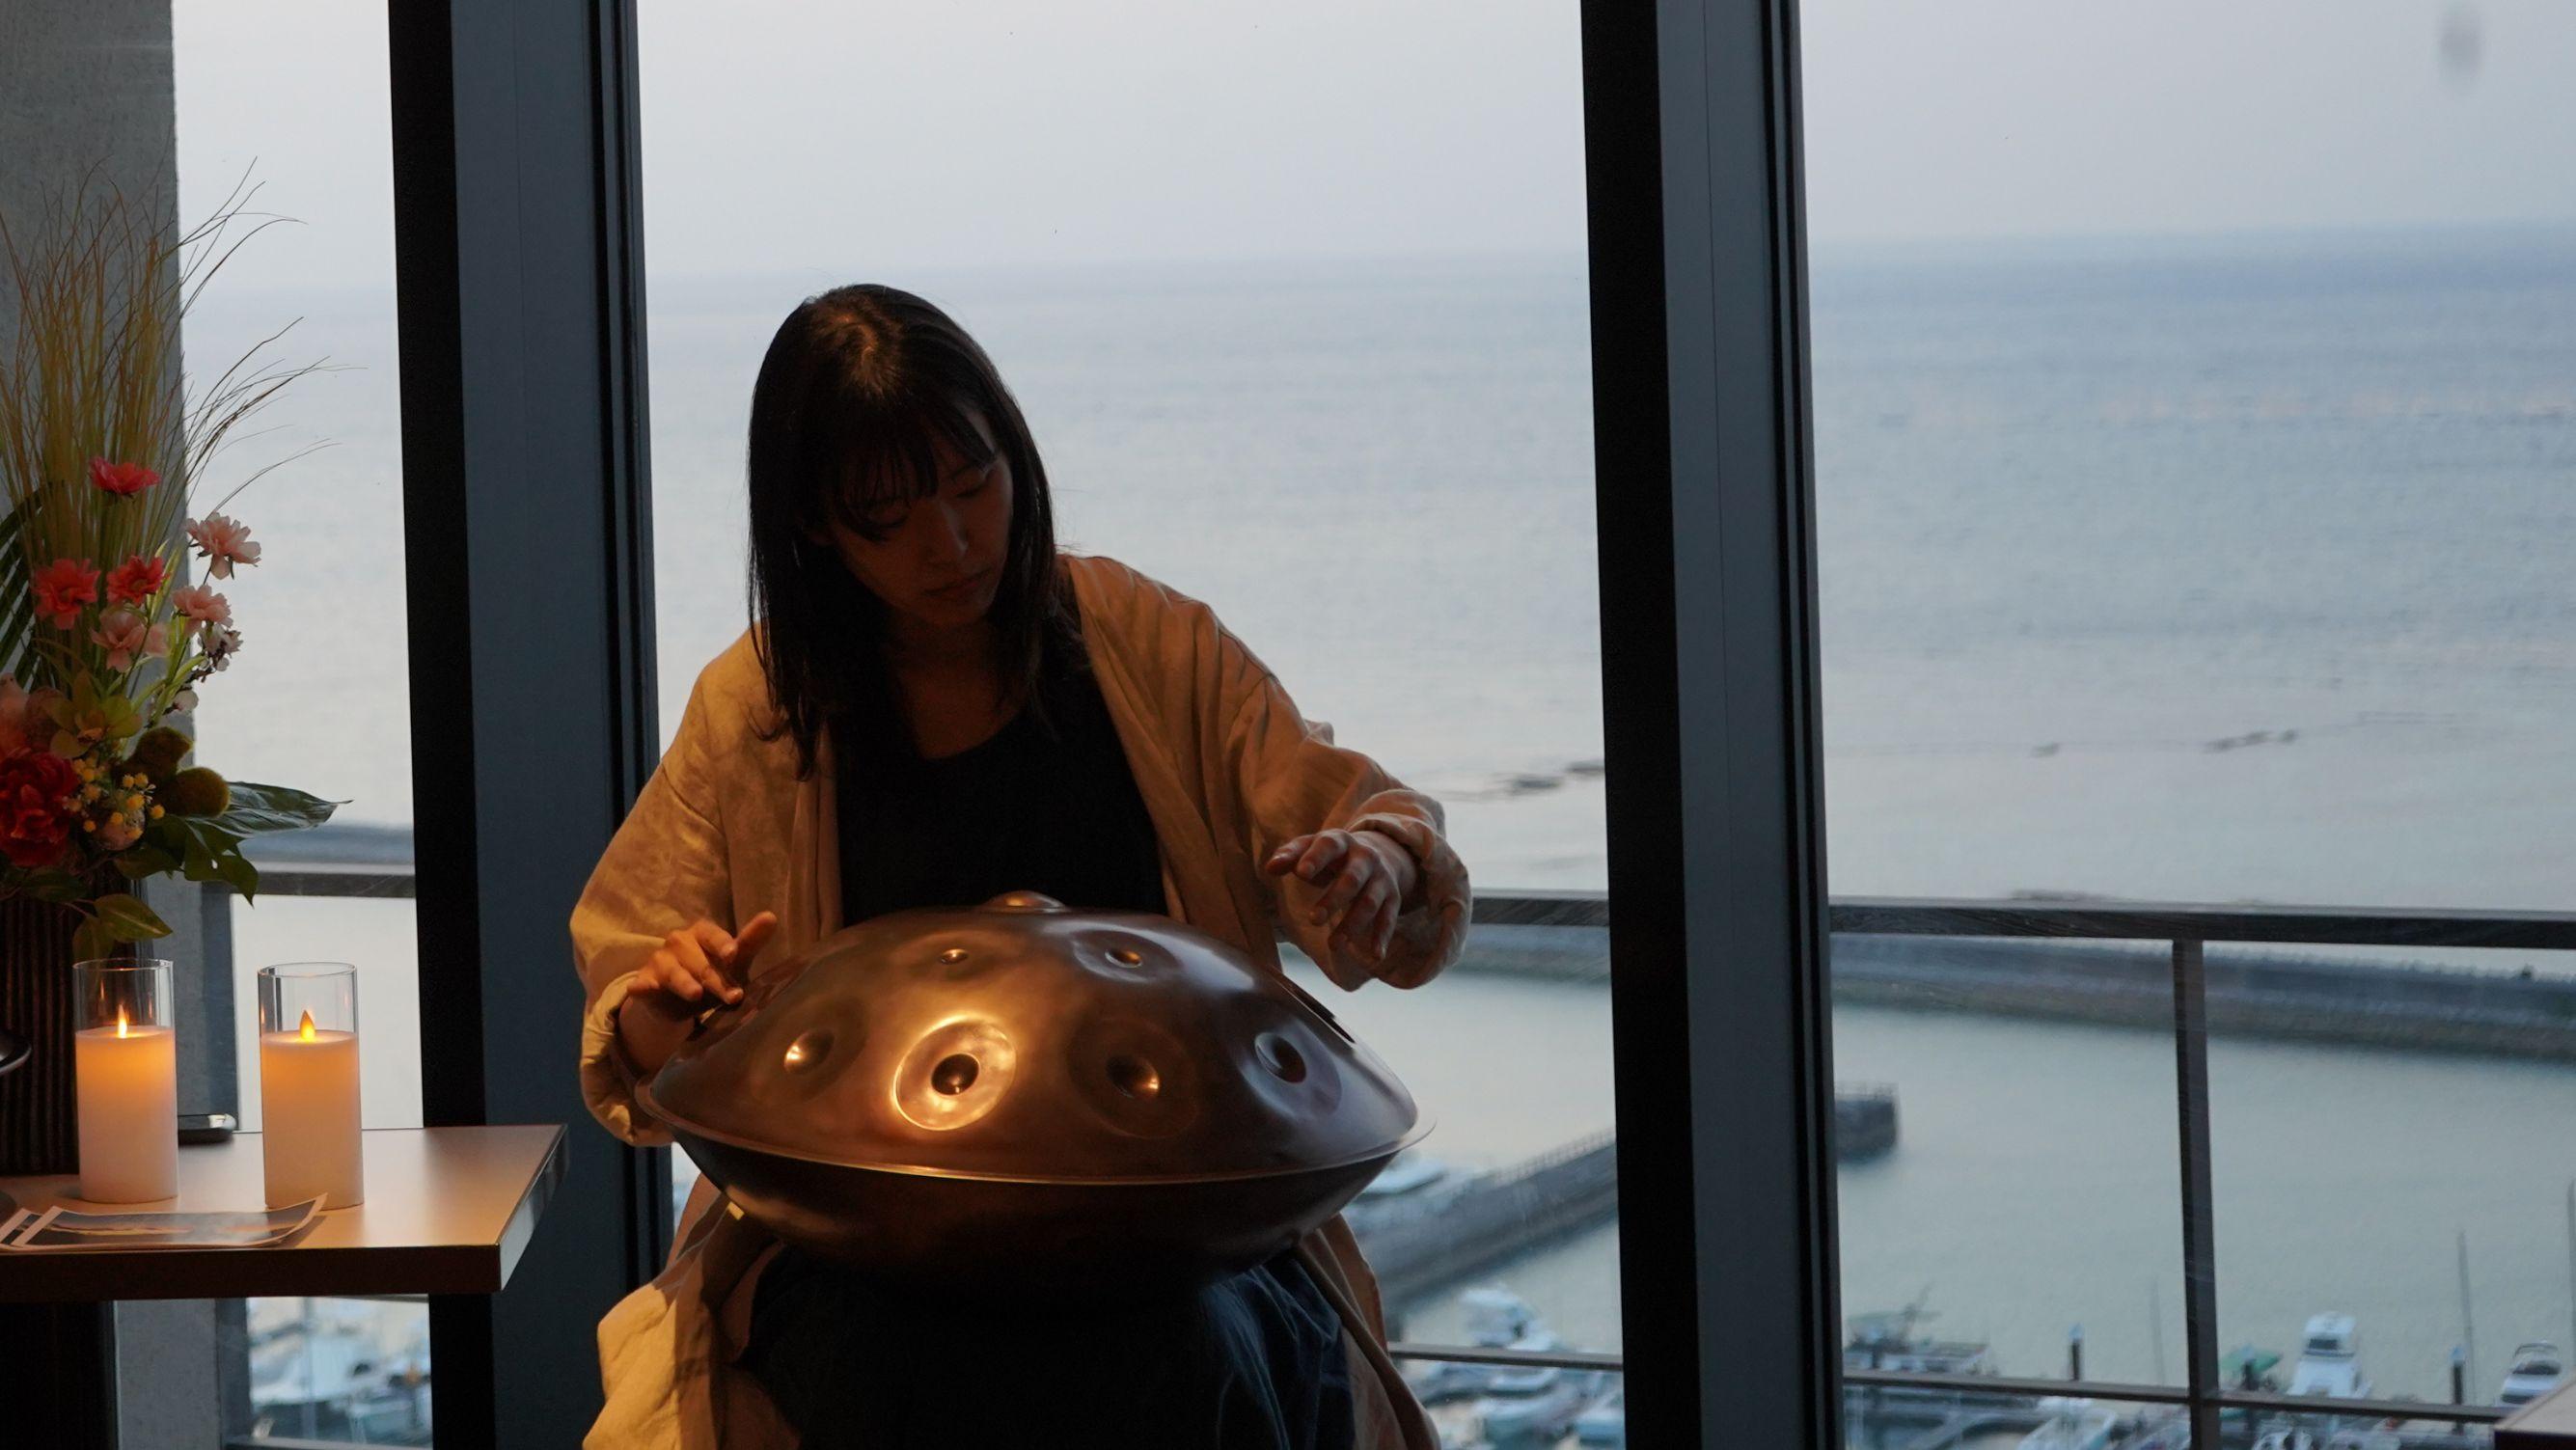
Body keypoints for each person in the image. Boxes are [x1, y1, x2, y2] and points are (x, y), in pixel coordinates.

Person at [571, 284, 1471, 1450]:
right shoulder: (757, 708)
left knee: (1182, 1354)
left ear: (1016, 457)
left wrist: (1373, 863)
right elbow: (641, 1016)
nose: (951, 544)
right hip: (861, 1237)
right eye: (890, 519)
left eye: (973, 483)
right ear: (815, 526)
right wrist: (671, 1001)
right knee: (898, 1374)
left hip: (1175, 1233)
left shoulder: (1144, 641)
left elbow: (1362, 819)